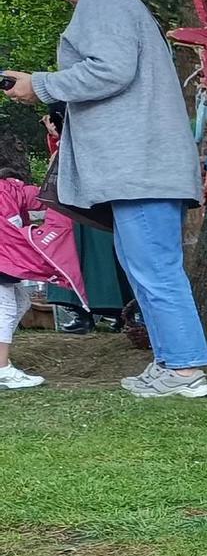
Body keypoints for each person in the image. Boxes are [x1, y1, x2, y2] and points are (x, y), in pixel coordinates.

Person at [2, 0, 207, 398]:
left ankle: (183, 371)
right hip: (142, 165)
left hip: (138, 168)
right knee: (148, 267)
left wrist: (41, 84)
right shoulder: (120, 3)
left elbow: (109, 70)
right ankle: (171, 364)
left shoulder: (102, 2)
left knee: (153, 268)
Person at [0, 137, 88, 390]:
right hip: (4, 260)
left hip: (5, 259)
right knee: (5, 307)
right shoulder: (10, 188)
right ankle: (2, 369)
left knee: (20, 302)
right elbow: (43, 198)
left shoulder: (9, 189)